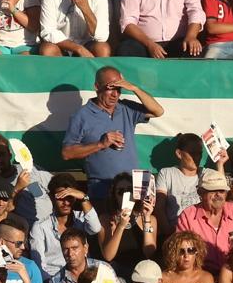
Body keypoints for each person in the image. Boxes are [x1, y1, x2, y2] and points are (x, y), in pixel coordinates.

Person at [63, 65, 166, 200]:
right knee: (106, 221)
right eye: (110, 88)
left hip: (133, 184)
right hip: (102, 186)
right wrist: (100, 144)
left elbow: (158, 111)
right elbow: (66, 153)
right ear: (96, 86)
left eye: (119, 89)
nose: (115, 94)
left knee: (142, 220)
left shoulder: (126, 108)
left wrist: (134, 88)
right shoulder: (81, 116)